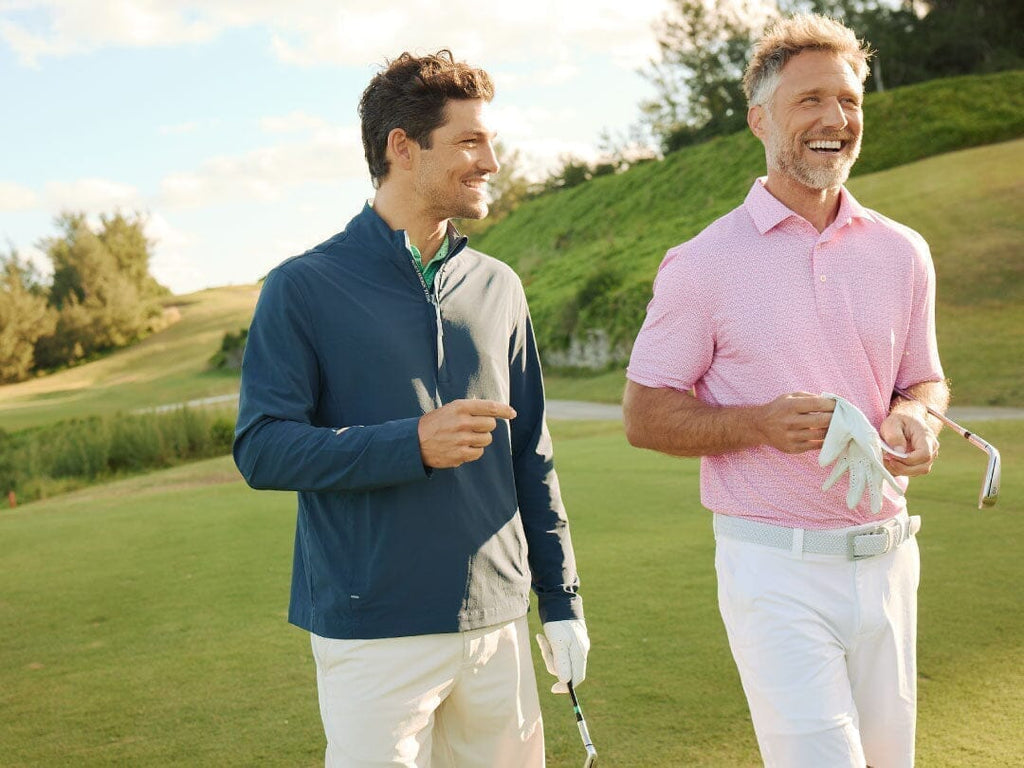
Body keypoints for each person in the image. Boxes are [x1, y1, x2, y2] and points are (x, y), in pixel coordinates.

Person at [233, 50, 589, 768]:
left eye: (490, 141)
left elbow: (532, 457)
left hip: (498, 624)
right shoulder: (302, 286)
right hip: (373, 631)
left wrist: (561, 601)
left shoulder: (499, 286)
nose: (490, 161)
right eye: (469, 141)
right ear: (403, 146)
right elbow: (262, 447)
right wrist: (412, 443)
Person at [623, 14, 948, 768]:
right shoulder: (702, 263)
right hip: (776, 570)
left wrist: (917, 416)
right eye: (810, 100)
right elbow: (644, 415)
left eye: (849, 100)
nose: (836, 119)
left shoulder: (903, 251)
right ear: (759, 120)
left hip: (891, 560)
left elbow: (924, 378)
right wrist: (758, 425)